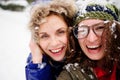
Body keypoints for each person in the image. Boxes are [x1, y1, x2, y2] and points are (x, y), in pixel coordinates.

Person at [57, 0, 120, 80]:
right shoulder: (70, 75)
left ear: (114, 30)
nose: (92, 39)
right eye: (82, 30)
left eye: (100, 28)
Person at [25, 0, 76, 80]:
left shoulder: (86, 55)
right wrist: (38, 63)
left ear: (71, 30)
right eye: (44, 36)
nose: (54, 43)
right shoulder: (35, 62)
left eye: (60, 32)